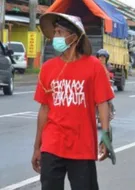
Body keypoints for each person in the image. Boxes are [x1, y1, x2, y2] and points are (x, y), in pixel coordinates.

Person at [31, 13, 115, 190]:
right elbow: (44, 109)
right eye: (54, 32)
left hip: (81, 145)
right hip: (52, 144)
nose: (56, 37)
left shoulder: (94, 67)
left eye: (60, 32)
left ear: (74, 37)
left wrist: (106, 135)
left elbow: (102, 103)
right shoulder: (48, 68)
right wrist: (37, 146)